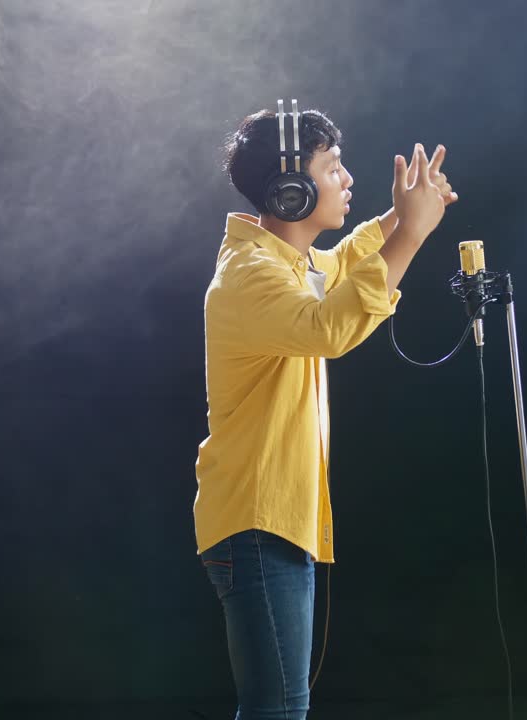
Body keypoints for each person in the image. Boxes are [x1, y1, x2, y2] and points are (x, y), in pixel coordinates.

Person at [192, 103, 457, 720]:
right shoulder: (249, 277)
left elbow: (340, 271)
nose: (348, 180)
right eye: (334, 168)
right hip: (258, 525)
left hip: (274, 522)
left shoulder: (289, 265)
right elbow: (329, 327)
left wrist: (404, 213)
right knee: (277, 709)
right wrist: (411, 233)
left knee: (279, 708)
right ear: (292, 189)